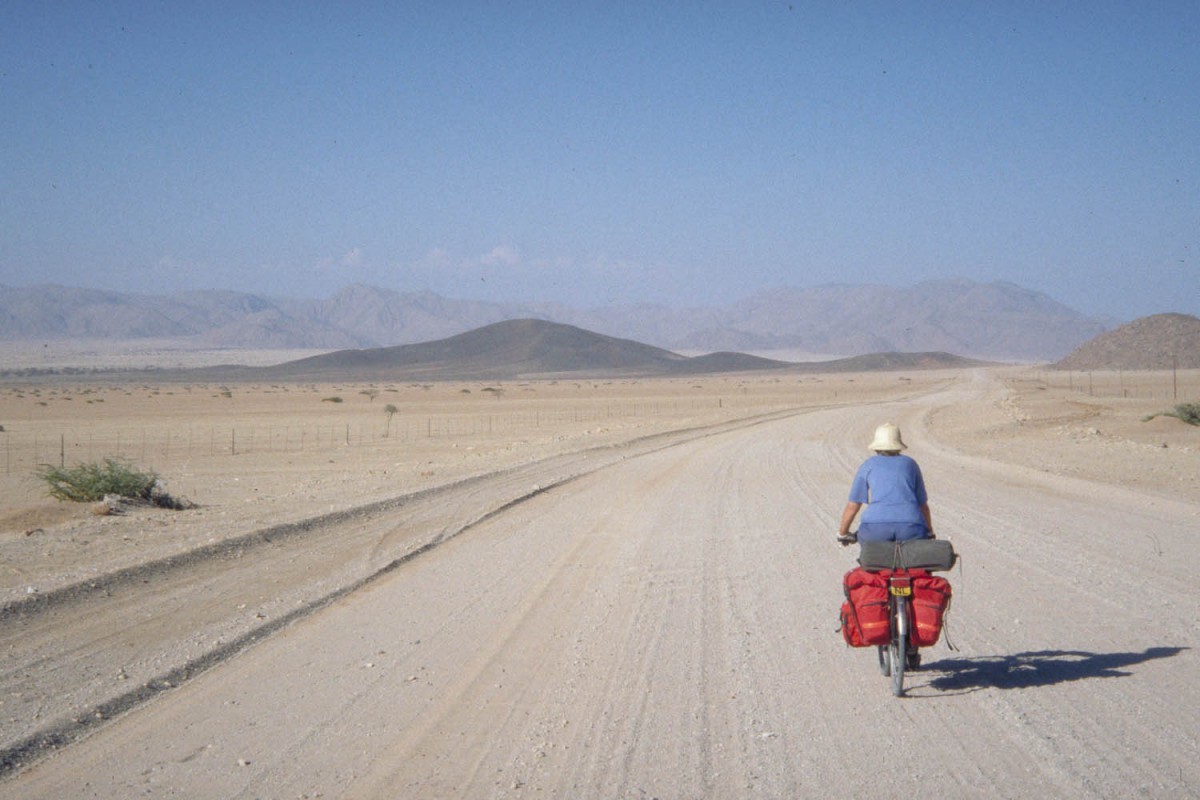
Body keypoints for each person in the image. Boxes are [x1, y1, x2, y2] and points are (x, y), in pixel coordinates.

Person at [837, 422, 934, 543]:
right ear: (898, 445)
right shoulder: (910, 464)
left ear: (876, 446)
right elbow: (922, 505)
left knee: (870, 558)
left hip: (874, 529)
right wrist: (929, 531)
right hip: (911, 528)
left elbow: (853, 505)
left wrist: (843, 533)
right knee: (915, 558)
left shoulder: (868, 465)